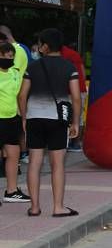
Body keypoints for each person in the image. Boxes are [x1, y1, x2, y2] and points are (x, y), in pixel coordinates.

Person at [18, 28, 82, 217]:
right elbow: (76, 98)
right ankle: (58, 207)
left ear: (45, 46)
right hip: (57, 120)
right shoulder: (69, 67)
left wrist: (24, 117)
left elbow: (22, 96)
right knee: (57, 164)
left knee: (34, 163)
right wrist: (75, 122)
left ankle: (35, 207)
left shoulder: (33, 67)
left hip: (34, 119)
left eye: (39, 44)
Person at [0, 42, 28, 204]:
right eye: (4, 56)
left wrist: (23, 117)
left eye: (10, 56)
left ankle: (11, 191)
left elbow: (20, 95)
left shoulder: (15, 73)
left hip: (12, 119)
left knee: (13, 154)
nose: (7, 59)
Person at [60, 42, 87, 152]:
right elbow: (83, 72)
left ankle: (63, 142)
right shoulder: (75, 54)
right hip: (80, 89)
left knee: (64, 116)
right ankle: (75, 144)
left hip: (67, 90)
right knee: (78, 116)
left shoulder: (60, 55)